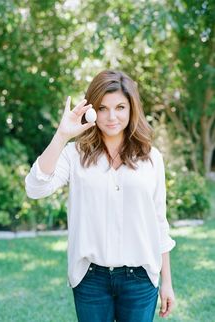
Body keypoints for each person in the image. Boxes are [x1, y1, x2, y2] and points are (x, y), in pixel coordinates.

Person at [25, 70, 176, 322]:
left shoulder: (152, 158)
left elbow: (159, 223)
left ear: (132, 108)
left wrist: (167, 282)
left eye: (120, 107)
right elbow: (35, 188)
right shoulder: (74, 154)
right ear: (92, 110)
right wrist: (62, 135)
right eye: (103, 108)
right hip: (90, 278)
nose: (112, 116)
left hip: (140, 278)